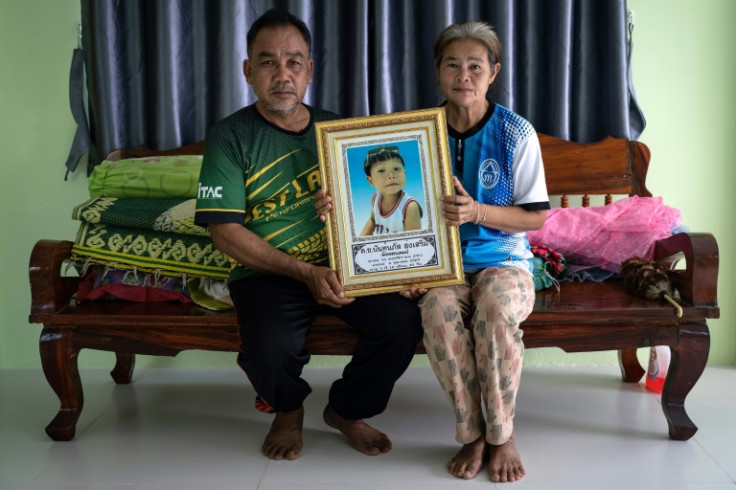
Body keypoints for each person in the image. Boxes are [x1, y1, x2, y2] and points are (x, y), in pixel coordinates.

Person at [316, 20, 549, 483]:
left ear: (493, 72)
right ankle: (472, 433)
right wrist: (337, 206)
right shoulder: (415, 134)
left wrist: (478, 211)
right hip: (440, 269)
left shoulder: (515, 133)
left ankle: (502, 435)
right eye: (453, 64)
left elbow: (536, 217)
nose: (464, 75)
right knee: (438, 312)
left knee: (497, 309)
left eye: (475, 66)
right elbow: (378, 203)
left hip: (502, 261)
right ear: (438, 72)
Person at [194, 8, 422, 462]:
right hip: (270, 272)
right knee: (269, 344)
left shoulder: (341, 133)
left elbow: (380, 211)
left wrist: (399, 263)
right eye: (267, 62)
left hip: (344, 266)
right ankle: (288, 408)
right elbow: (224, 233)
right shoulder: (230, 137)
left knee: (402, 324)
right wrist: (304, 272)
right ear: (248, 71)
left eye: (294, 61)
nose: (282, 74)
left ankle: (346, 410)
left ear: (310, 71)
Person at [359, 145, 423, 235]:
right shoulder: (375, 198)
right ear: (371, 180)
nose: (391, 175)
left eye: (396, 169)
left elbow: (414, 242)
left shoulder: (409, 207)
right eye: (381, 171)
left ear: (404, 173)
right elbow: (373, 221)